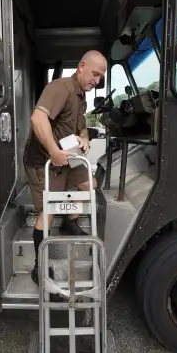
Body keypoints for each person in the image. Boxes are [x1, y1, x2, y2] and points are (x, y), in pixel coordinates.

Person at [23, 50, 107, 285]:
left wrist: (84, 138)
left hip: (68, 156)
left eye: (100, 77)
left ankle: (71, 221)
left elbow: (80, 127)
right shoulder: (60, 88)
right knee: (46, 212)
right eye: (95, 74)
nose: (97, 81)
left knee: (89, 184)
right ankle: (39, 267)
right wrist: (53, 152)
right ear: (81, 67)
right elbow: (37, 119)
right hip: (44, 160)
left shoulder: (82, 96)